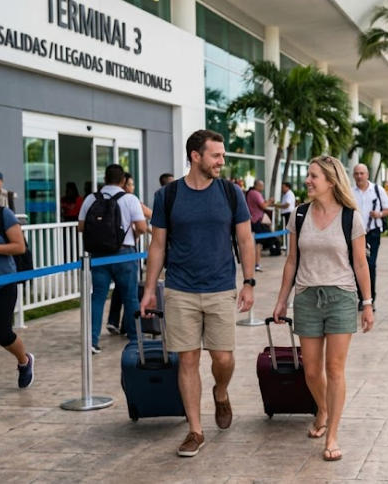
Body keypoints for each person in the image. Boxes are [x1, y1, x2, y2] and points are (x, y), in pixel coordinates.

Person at [139, 129, 255, 458]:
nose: (222, 161)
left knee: (223, 358)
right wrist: (150, 290)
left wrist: (249, 281)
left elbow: (245, 240)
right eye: (216, 155)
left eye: (222, 155)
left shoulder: (231, 193)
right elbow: (158, 244)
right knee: (187, 360)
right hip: (180, 290)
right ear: (195, 156)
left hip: (220, 288)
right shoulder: (168, 196)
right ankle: (195, 430)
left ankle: (220, 392)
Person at [272, 155, 374, 463]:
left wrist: (367, 303)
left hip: (341, 297)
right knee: (312, 370)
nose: (308, 180)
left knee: (334, 369)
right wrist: (281, 299)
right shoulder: (299, 215)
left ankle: (331, 434)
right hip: (306, 297)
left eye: (313, 176)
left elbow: (360, 262)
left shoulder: (349, 217)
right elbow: (291, 260)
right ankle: (323, 409)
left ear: (330, 181)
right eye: (308, 175)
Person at [78, 164, 147, 354]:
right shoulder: (130, 199)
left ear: (104, 179)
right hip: (125, 254)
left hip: (99, 256)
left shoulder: (91, 199)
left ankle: (92, 341)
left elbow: (81, 227)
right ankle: (135, 339)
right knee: (130, 297)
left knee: (98, 296)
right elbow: (141, 227)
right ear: (123, 181)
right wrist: (132, 234)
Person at [0, 174, 34, 400]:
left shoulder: (3, 214)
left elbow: (19, 247)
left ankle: (24, 360)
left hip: (1, 283)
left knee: (1, 333)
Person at [105, 172, 152, 336]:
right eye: (131, 184)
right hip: (127, 251)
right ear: (124, 184)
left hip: (106, 250)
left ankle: (113, 321)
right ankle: (130, 329)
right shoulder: (132, 200)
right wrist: (141, 234)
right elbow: (148, 218)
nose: (132, 187)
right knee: (130, 291)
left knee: (119, 288)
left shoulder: (106, 200)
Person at [351, 163, 388, 307]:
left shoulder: (377, 190)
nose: (359, 176)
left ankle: (370, 299)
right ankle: (362, 298)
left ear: (367, 174)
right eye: (356, 173)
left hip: (372, 233)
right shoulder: (350, 192)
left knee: (370, 265)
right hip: (355, 234)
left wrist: (379, 214)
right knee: (356, 265)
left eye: (362, 173)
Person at [246, 179, 273, 272]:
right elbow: (264, 206)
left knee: (256, 243)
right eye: (261, 186)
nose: (262, 188)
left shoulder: (250, 193)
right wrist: (270, 201)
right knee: (259, 244)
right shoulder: (256, 193)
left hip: (253, 220)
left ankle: (255, 263)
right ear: (257, 185)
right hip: (257, 220)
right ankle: (257, 264)